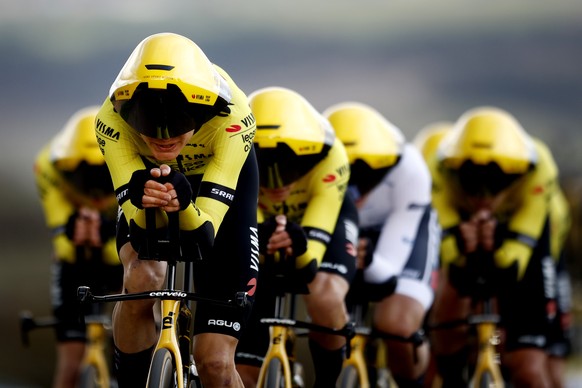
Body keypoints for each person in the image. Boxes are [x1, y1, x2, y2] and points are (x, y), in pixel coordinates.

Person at [95, 32, 259, 387]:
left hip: (217, 186)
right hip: (148, 177)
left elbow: (204, 231)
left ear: (204, 110)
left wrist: (184, 205)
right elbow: (139, 227)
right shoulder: (111, 120)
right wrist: (139, 198)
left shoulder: (234, 115)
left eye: (180, 124)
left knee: (215, 362)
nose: (164, 138)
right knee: (142, 277)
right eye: (147, 126)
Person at [426, 106, 563, 387]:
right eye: (471, 185)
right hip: (462, 228)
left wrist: (496, 246)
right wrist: (462, 245)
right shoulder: (437, 167)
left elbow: (515, 262)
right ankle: (453, 376)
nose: (483, 198)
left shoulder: (540, 167)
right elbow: (451, 257)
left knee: (527, 369)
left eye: (495, 185)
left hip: (522, 234)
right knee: (451, 292)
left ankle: (504, 356)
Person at [235, 86, 359, 387]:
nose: (277, 183)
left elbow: (309, 263)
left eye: (290, 168)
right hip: (263, 221)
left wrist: (299, 245)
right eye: (264, 168)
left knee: (326, 296)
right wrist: (261, 236)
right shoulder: (233, 147)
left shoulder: (331, 154)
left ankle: (327, 383)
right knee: (243, 376)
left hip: (324, 219)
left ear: (309, 154)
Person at [324, 102, 440, 387]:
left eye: (367, 176)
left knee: (397, 327)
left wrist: (370, 262)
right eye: (347, 173)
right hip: (343, 229)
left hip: (402, 235)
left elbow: (387, 274)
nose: (355, 189)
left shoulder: (410, 167)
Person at [33, 106, 122, 388]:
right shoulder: (47, 164)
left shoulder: (131, 156)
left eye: (104, 178)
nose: (95, 192)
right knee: (71, 362)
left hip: (120, 258)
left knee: (141, 335)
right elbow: (64, 246)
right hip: (76, 264)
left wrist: (109, 236)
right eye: (85, 179)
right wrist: (73, 233)